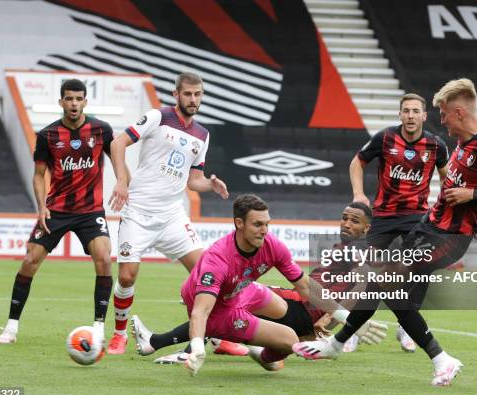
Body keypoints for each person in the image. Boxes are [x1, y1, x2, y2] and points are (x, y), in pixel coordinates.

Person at [293, 78, 477, 387]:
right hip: (427, 228)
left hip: (447, 239)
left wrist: (474, 195)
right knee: (384, 287)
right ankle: (344, 346)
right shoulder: (463, 144)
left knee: (385, 283)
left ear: (459, 112)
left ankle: (431, 357)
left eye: (443, 114)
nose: (441, 121)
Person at [146, 202, 389, 365]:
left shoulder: (359, 252)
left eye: (354, 221)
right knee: (268, 343)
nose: (346, 224)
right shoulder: (347, 249)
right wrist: (336, 318)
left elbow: (362, 283)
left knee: (224, 305)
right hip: (306, 314)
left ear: (366, 228)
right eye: (344, 218)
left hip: (299, 305)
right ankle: (241, 347)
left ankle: (184, 347)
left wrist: (333, 318)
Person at [106, 72, 230, 355]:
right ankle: (119, 334)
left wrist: (209, 185)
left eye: (198, 94)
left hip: (172, 215)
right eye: (188, 94)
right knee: (126, 277)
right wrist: (122, 181)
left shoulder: (202, 134)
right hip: (138, 211)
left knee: (208, 274)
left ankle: (220, 339)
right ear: (176, 95)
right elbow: (117, 143)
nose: (193, 99)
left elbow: (193, 180)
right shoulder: (157, 117)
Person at [131, 194, 310, 376]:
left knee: (280, 307)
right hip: (220, 306)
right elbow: (200, 311)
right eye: (258, 224)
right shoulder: (218, 258)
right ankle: (258, 354)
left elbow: (305, 286)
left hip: (238, 290)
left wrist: (339, 321)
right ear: (239, 223)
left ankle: (156, 341)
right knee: (289, 340)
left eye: (267, 224)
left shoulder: (270, 244)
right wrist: (198, 349)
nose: (265, 230)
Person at [0, 79, 116, 344]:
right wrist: (41, 208)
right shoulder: (47, 135)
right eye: (69, 99)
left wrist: (124, 185)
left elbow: (117, 156)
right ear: (60, 101)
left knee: (105, 259)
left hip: (90, 210)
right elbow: (39, 175)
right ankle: (11, 328)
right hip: (56, 211)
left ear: (85, 101)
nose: (74, 103)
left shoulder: (102, 130)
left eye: (78, 98)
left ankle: (99, 328)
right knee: (29, 262)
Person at [350, 93, 448, 352]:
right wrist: (359, 194)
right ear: (400, 114)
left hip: (416, 216)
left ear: (424, 116)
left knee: (424, 265)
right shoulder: (385, 138)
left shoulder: (436, 145)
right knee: (368, 269)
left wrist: (445, 207)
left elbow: (447, 178)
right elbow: (357, 162)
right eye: (406, 111)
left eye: (416, 111)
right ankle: (353, 328)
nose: (411, 115)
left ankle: (407, 325)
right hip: (383, 215)